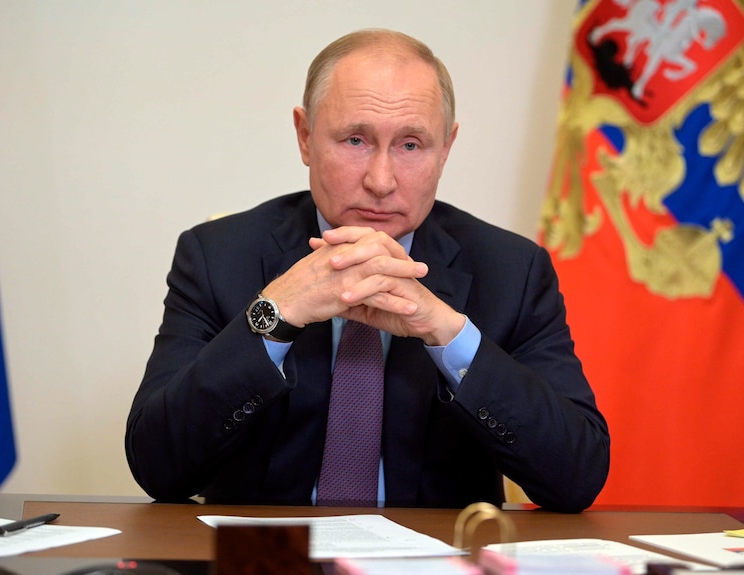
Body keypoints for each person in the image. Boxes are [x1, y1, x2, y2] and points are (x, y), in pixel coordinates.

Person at [125, 28, 609, 513]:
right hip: (268, 555)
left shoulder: (512, 270)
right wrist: (276, 314)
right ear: (306, 136)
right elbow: (158, 468)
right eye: (355, 140)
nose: (381, 181)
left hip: (431, 559)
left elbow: (577, 478)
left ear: (446, 148)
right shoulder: (217, 255)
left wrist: (448, 333)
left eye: (412, 145)